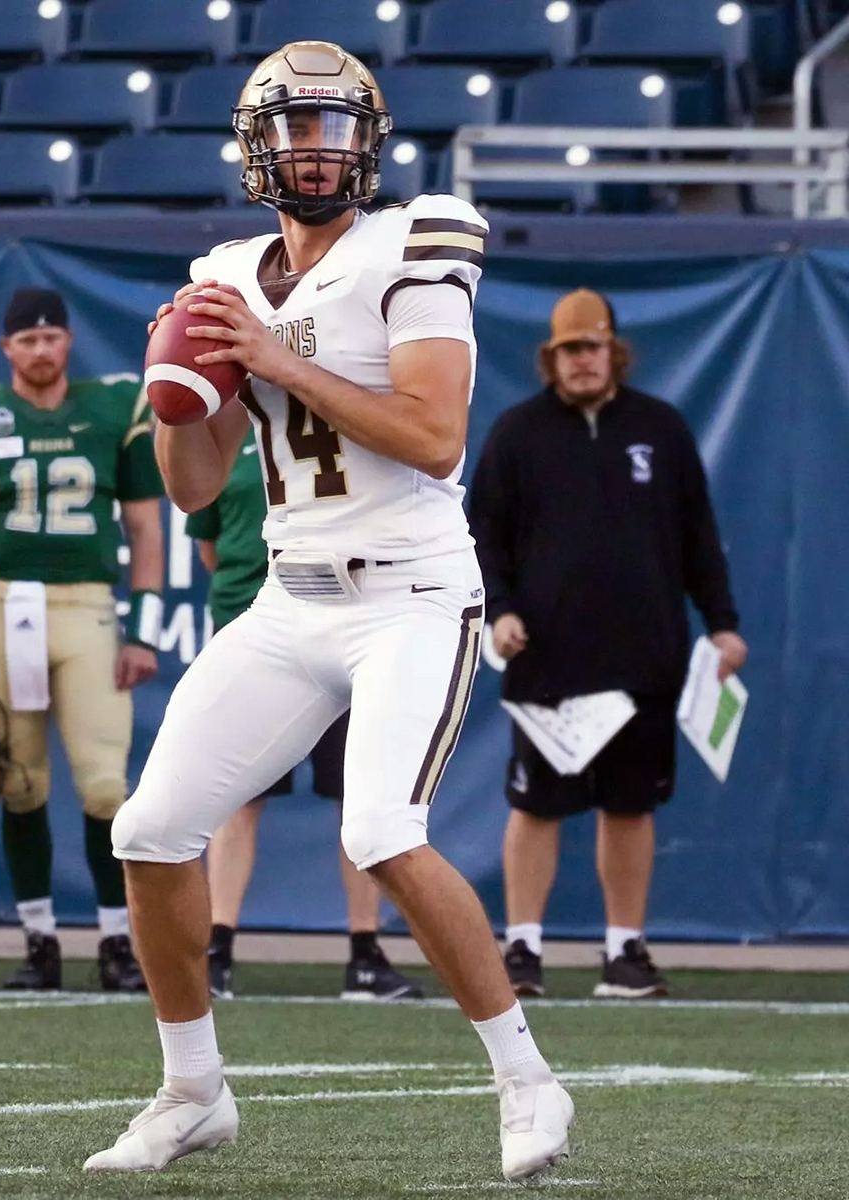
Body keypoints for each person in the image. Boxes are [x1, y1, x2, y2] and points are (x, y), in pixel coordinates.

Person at [86, 42, 573, 1183]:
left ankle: (526, 1079)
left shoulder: (415, 241)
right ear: (259, 148)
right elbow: (198, 486)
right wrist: (180, 388)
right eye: (297, 130)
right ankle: (191, 1090)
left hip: (411, 593)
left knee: (378, 831)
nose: (318, 151)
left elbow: (434, 435)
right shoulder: (227, 270)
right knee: (149, 832)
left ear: (370, 142)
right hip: (287, 595)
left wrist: (271, 357)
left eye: (336, 128)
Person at [468, 288, 746, 1001]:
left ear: (614, 351)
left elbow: (699, 540)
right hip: (546, 658)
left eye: (591, 348)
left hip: (644, 657)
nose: (581, 362)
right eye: (568, 351)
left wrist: (722, 623)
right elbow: (481, 539)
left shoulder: (662, 428)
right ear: (549, 358)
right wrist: (498, 611)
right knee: (536, 806)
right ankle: (522, 949)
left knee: (631, 806)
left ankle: (625, 952)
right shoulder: (516, 433)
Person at [0, 287, 164, 992]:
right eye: (25, 340)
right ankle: (40, 941)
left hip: (86, 605)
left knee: (103, 786)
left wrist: (143, 630)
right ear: (6, 349)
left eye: (50, 338)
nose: (39, 349)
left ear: (67, 342)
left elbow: (147, 528)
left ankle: (118, 942)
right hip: (0, 606)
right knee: (21, 781)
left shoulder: (114, 407)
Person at [191, 431, 424, 1002]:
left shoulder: (341, 421)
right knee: (238, 797)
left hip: (342, 624)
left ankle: (364, 952)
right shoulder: (231, 435)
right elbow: (210, 544)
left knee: (360, 794)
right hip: (256, 628)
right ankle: (216, 946)